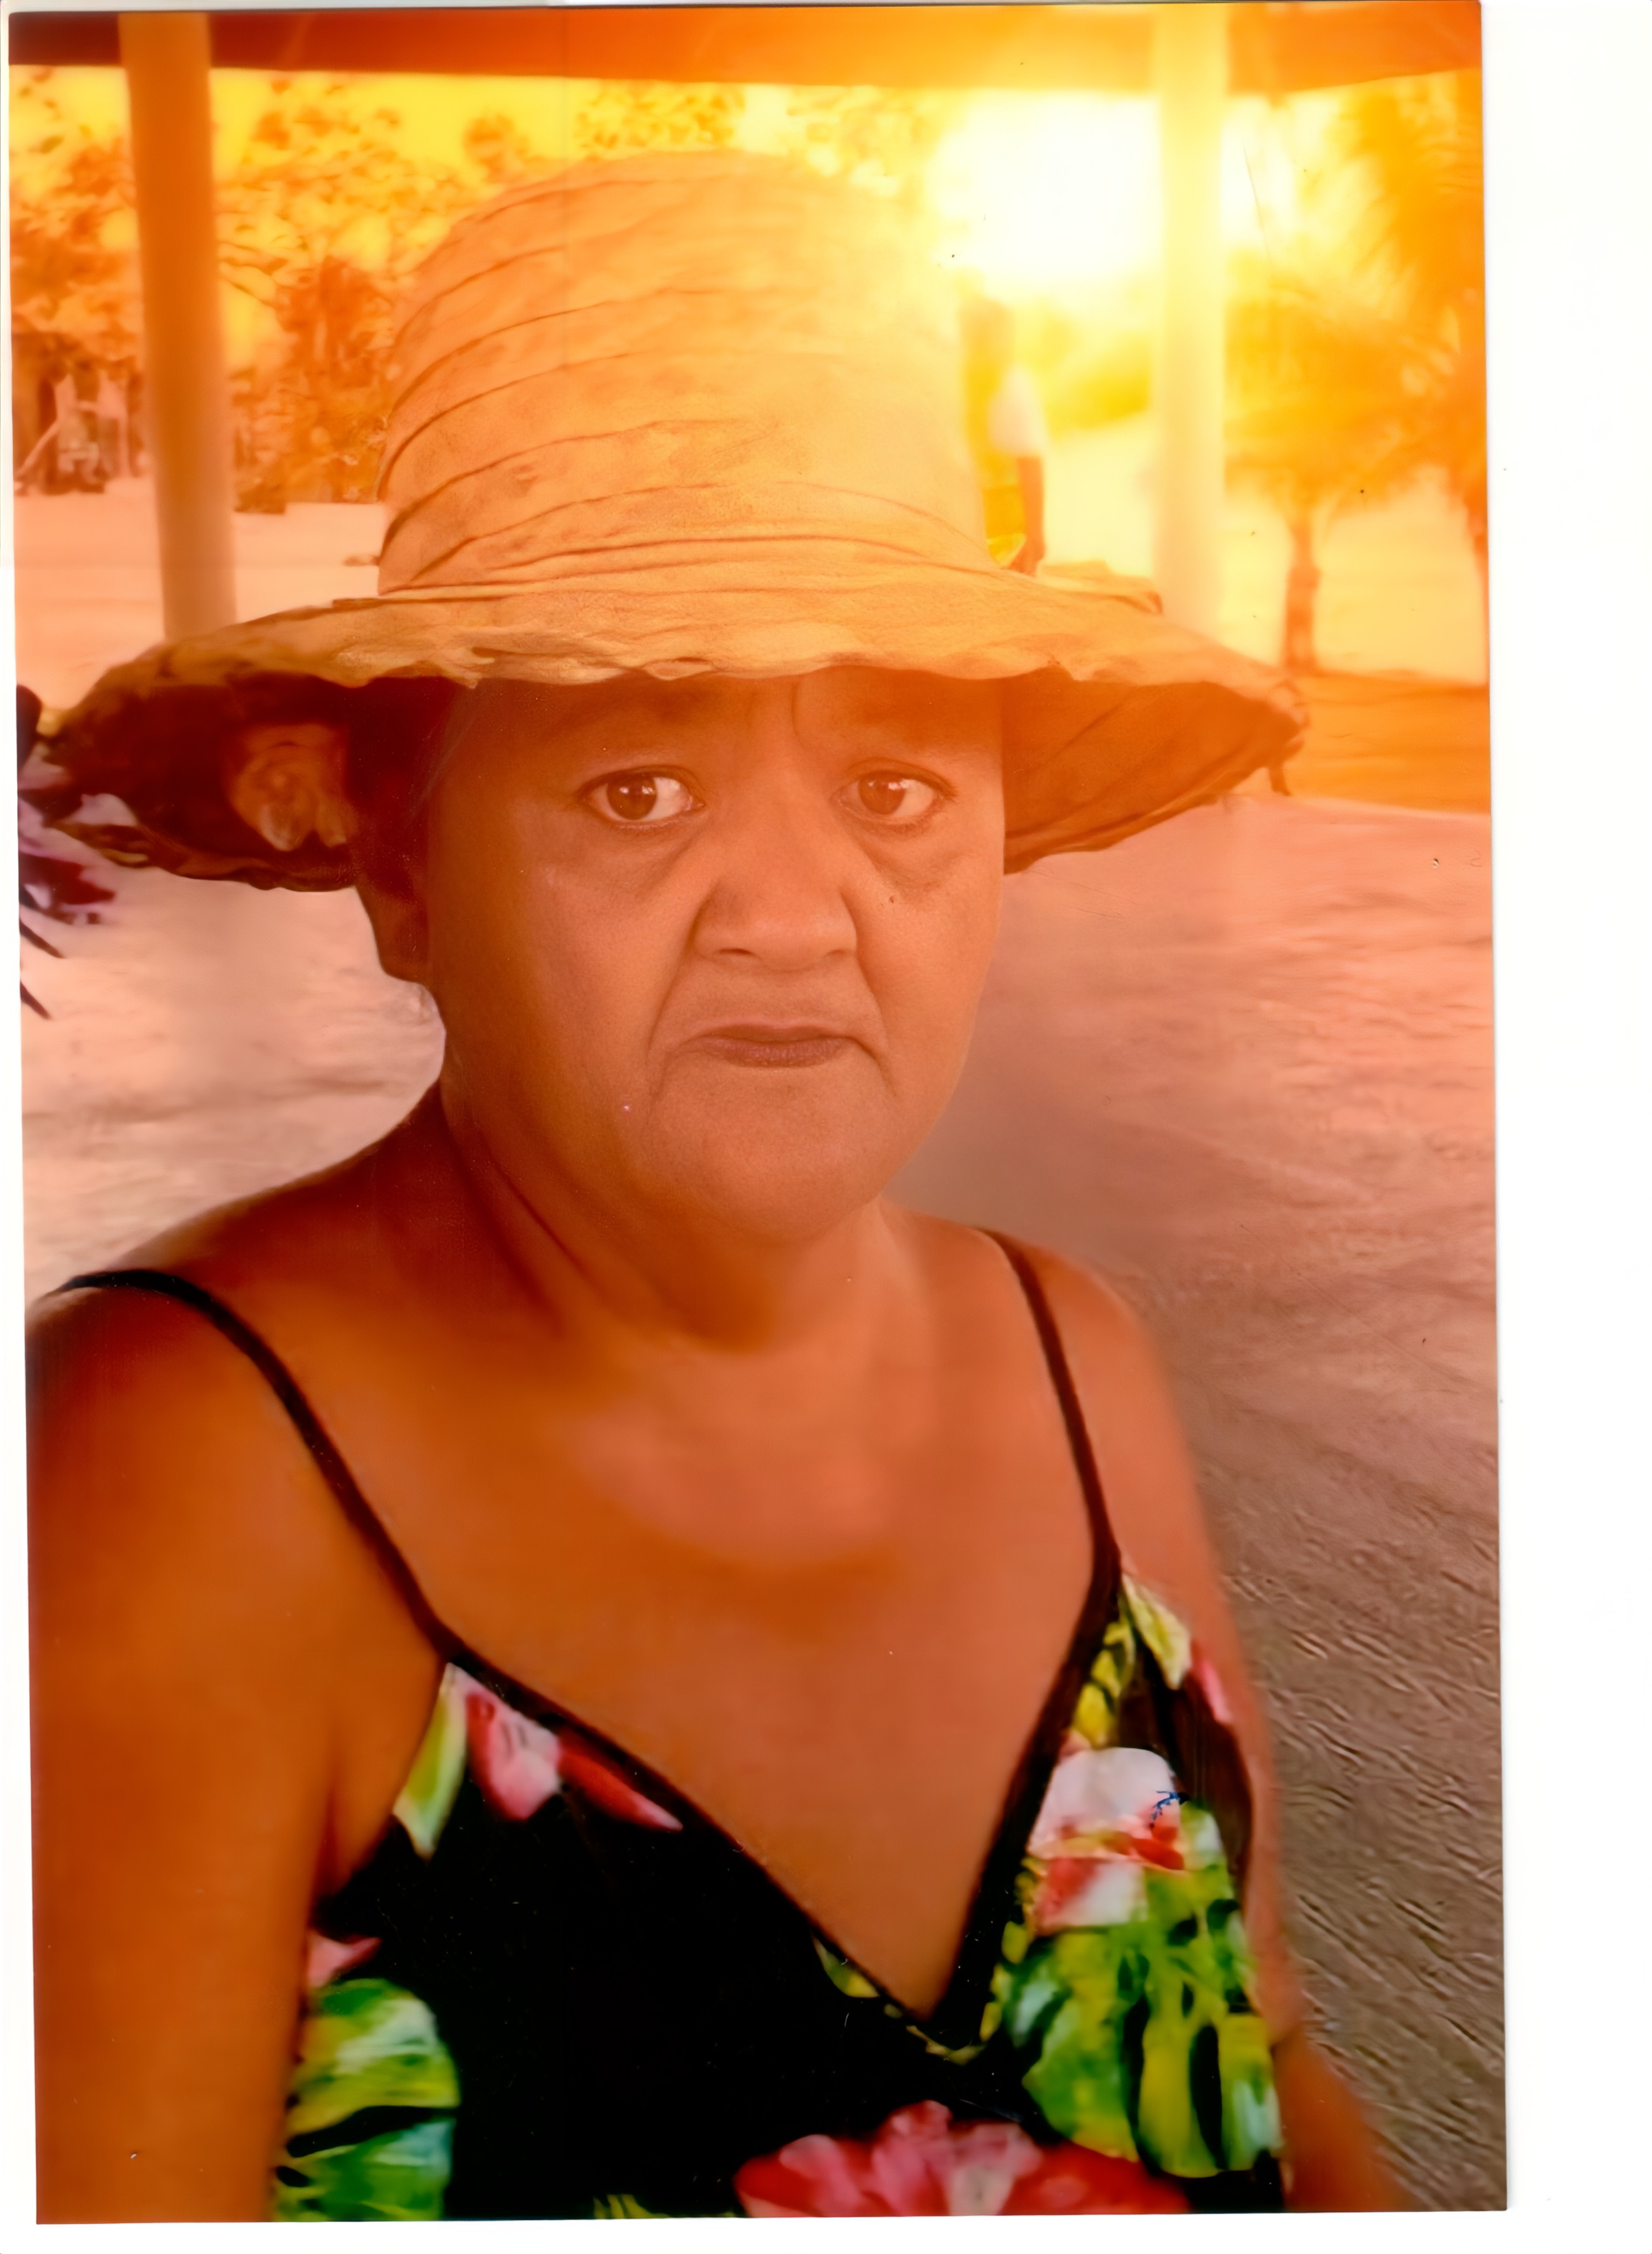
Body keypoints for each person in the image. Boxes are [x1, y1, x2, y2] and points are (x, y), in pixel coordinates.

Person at [29, 153, 1401, 2222]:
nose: (792, 915)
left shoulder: (1075, 1359)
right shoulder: (168, 1472)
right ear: (401, 866)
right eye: (637, 785)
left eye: (893, 788)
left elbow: (1264, 2055)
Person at [960, 296, 1049, 576]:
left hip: (992, 528)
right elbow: (1029, 461)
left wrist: (1035, 536)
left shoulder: (1007, 384)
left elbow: (1029, 460)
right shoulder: (1000, 383)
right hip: (986, 528)